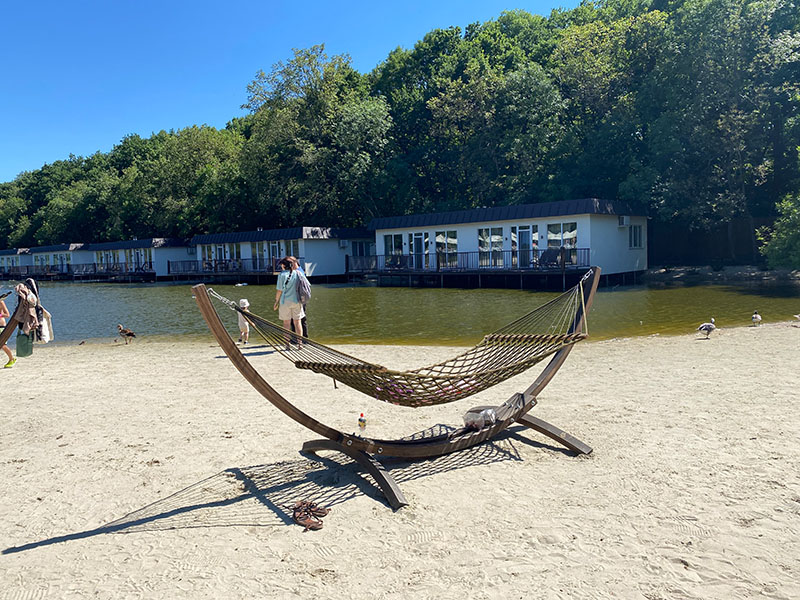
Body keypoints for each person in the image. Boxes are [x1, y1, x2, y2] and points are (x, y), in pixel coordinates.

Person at [274, 257, 305, 349]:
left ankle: (287, 344)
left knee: (286, 323)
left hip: (285, 301)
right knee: (298, 322)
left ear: (283, 265)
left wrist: (276, 302)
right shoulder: (298, 273)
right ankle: (300, 344)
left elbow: (279, 290)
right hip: (296, 300)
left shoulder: (281, 275)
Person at [287, 256, 309, 338]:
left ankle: (303, 338)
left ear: (293, 263)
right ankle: (298, 338)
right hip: (298, 299)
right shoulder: (298, 271)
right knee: (295, 319)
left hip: (299, 299)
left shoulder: (298, 272)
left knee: (300, 319)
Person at [0, 291, 15, 368]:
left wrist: (0, 314)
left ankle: (11, 359)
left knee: (2, 344)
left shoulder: (1, 302)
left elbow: (7, 314)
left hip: (1, 326)